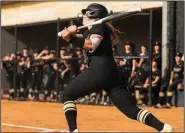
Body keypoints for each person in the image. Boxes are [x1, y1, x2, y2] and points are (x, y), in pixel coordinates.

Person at [59, 3, 173, 132]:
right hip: (111, 74)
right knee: (130, 110)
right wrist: (70, 34)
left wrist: (70, 39)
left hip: (99, 70)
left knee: (67, 95)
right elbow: (83, 39)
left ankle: (73, 130)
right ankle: (163, 128)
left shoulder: (98, 26)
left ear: (93, 14)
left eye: (86, 12)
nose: (84, 15)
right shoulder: (94, 29)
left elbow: (91, 45)